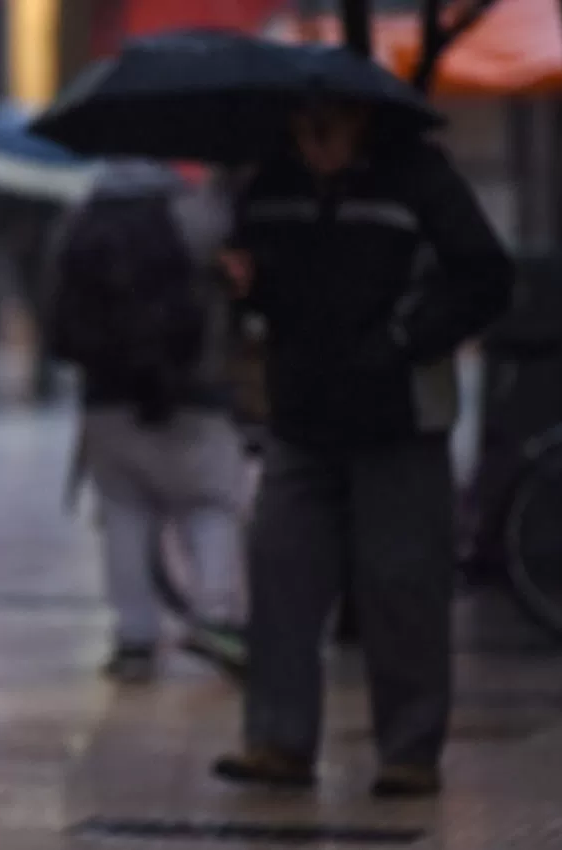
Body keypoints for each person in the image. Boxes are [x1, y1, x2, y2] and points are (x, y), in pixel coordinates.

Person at [211, 101, 513, 798]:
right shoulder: (273, 187)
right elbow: (258, 278)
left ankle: (409, 751)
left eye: (327, 128)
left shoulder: (418, 179)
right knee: (280, 570)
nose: (314, 143)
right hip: (303, 412)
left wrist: (405, 340)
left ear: (360, 122)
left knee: (402, 584)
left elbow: (485, 275)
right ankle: (278, 740)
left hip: (399, 415)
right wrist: (242, 287)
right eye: (301, 129)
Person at [49, 161, 247, 683]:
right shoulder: (198, 212)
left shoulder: (82, 212)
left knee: (123, 516)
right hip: (192, 392)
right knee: (210, 505)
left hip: (105, 398)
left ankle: (134, 637)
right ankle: (215, 617)